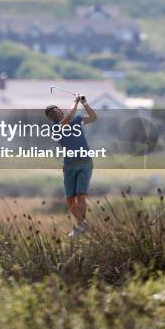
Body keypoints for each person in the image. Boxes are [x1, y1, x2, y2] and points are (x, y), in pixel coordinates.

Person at [45, 94, 97, 237]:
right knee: (70, 199)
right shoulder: (56, 127)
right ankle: (82, 222)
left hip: (85, 162)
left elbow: (93, 117)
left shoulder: (76, 120)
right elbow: (69, 115)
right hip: (69, 165)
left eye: (54, 109)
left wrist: (85, 102)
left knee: (80, 195)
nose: (53, 112)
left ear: (59, 110)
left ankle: (80, 225)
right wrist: (75, 101)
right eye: (50, 113)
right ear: (50, 118)